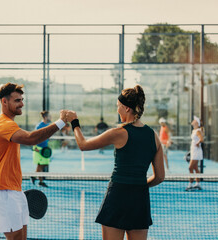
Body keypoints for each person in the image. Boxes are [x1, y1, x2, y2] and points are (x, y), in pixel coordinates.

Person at [66, 85, 164, 240]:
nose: (117, 110)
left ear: (126, 108)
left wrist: (74, 122)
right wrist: (139, 184)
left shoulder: (118, 133)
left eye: (118, 106)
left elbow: (83, 145)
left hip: (117, 196)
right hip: (140, 200)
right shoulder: (154, 136)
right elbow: (159, 177)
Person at [0, 82, 67, 240]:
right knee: (16, 237)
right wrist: (61, 122)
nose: (22, 104)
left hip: (15, 190)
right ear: (4, 101)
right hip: (3, 192)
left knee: (22, 237)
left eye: (22, 100)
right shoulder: (2, 124)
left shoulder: (9, 124)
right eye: (17, 100)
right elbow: (31, 139)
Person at [31, 111, 52, 187]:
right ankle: (40, 181)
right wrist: (35, 148)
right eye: (50, 116)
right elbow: (34, 137)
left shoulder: (48, 125)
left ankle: (35, 177)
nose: (51, 117)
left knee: (43, 164)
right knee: (40, 165)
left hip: (44, 148)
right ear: (46, 117)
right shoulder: (39, 126)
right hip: (38, 148)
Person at [186, 116, 204, 191]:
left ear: (197, 122)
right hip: (193, 150)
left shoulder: (198, 131)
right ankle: (197, 184)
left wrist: (198, 143)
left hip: (197, 151)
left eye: (194, 120)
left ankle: (190, 184)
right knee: (195, 168)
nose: (193, 121)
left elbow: (202, 139)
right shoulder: (194, 130)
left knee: (190, 167)